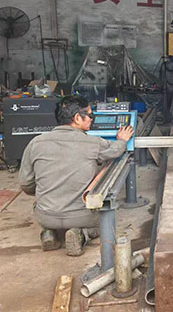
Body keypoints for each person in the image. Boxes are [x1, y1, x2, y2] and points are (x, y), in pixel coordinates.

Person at [18, 95, 134, 256]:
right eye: (90, 115)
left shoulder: (35, 143)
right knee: (102, 222)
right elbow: (115, 151)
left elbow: (25, 183)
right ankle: (81, 234)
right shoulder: (93, 143)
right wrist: (122, 140)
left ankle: (49, 232)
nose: (92, 119)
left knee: (43, 207)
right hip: (82, 216)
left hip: (45, 215)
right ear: (78, 118)